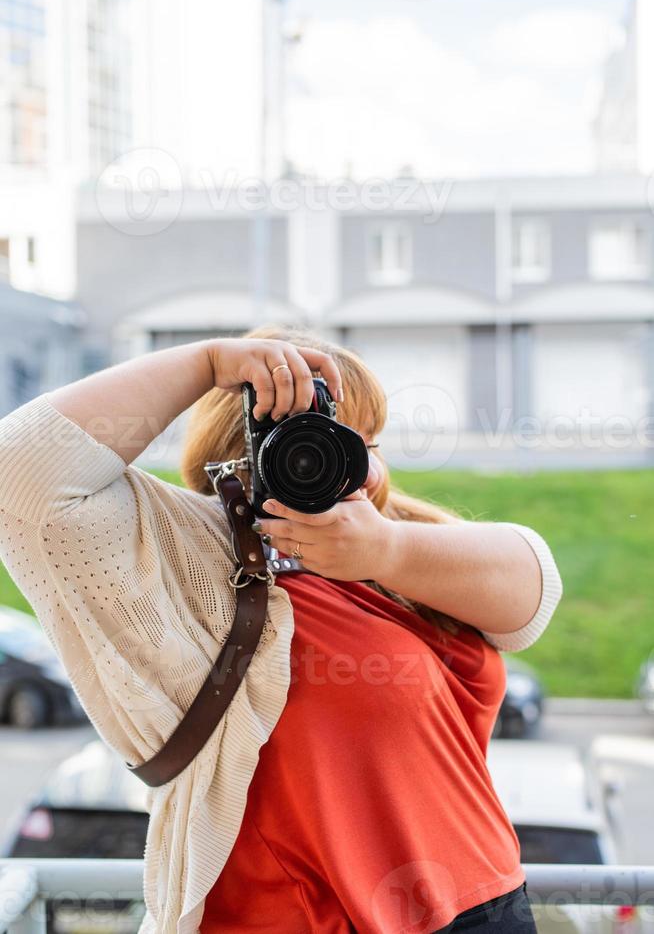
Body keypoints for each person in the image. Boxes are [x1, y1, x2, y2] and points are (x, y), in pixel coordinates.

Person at [0, 324, 562, 934]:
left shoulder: (392, 544)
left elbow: (533, 597)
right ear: (242, 457)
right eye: (312, 443)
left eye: (366, 443)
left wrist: (386, 551)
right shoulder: (191, 567)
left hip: (490, 904)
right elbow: (18, 474)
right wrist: (208, 362)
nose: (357, 469)